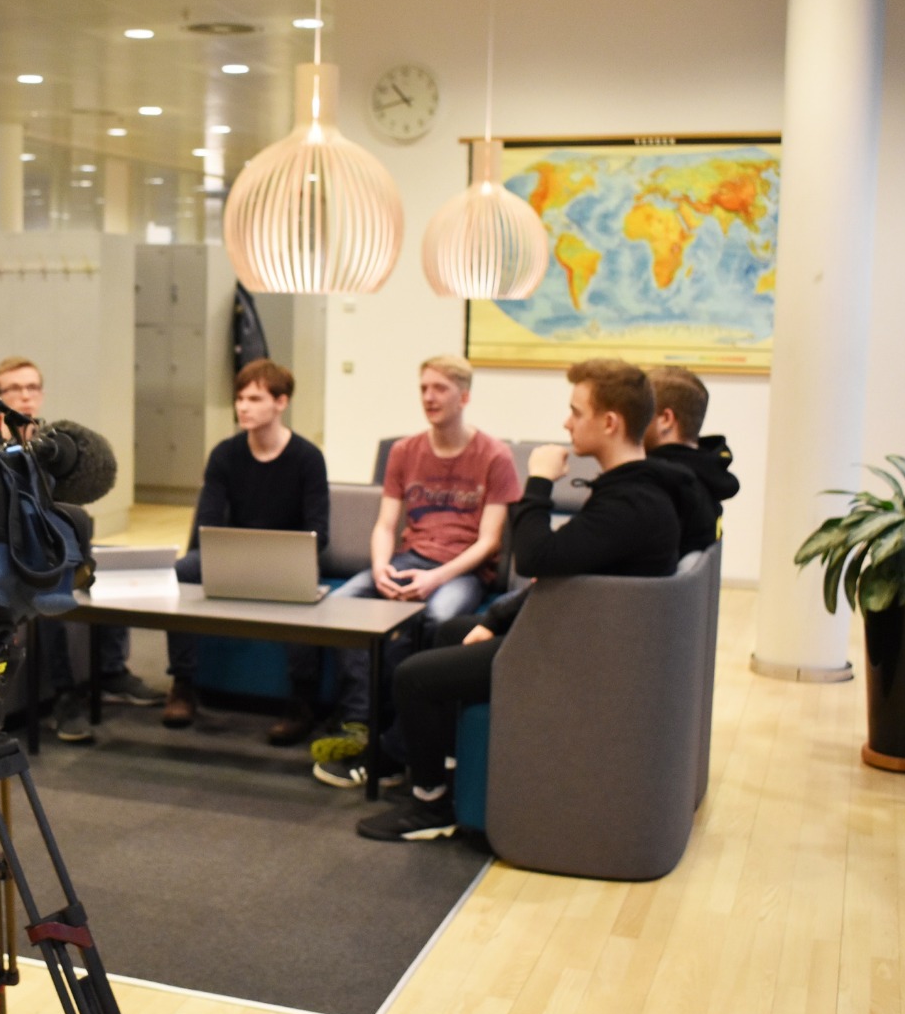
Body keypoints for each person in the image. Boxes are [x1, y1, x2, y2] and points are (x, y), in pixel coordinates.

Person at [355, 359, 714, 842]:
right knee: (447, 631)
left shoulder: (630, 504)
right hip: (578, 625)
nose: (567, 423)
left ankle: (429, 807)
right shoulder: (635, 491)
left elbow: (534, 557)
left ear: (609, 423)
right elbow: (564, 577)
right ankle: (444, 765)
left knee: (414, 677)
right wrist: (500, 615)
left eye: (575, 411)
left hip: (576, 649)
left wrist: (540, 480)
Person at [311, 355, 520, 778]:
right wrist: (382, 566)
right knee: (344, 600)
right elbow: (386, 523)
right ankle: (359, 720)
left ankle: (411, 734)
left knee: (439, 615)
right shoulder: (406, 451)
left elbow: (489, 541)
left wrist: (435, 578)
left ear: (464, 396)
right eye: (423, 388)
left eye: (439, 389)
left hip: (459, 570)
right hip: (409, 560)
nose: (428, 397)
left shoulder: (494, 456)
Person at [0, 356, 164, 743]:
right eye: (15, 388)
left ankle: (112, 670)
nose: (25, 395)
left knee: (109, 562)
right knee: (51, 584)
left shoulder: (57, 447)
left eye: (32, 387)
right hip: (11, 554)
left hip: (53, 546)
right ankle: (66, 696)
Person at [163, 358, 331, 744]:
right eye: (240, 398)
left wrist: (284, 553)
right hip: (233, 556)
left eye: (254, 398)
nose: (243, 406)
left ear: (281, 402)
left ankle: (301, 701)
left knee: (306, 590)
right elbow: (206, 524)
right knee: (181, 571)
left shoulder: (307, 458)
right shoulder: (225, 454)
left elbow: (319, 532)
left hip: (287, 560)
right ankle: (183, 684)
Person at [644, 365, 740, 539]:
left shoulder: (661, 488)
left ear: (665, 419)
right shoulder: (706, 474)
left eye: (639, 412)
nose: (632, 421)